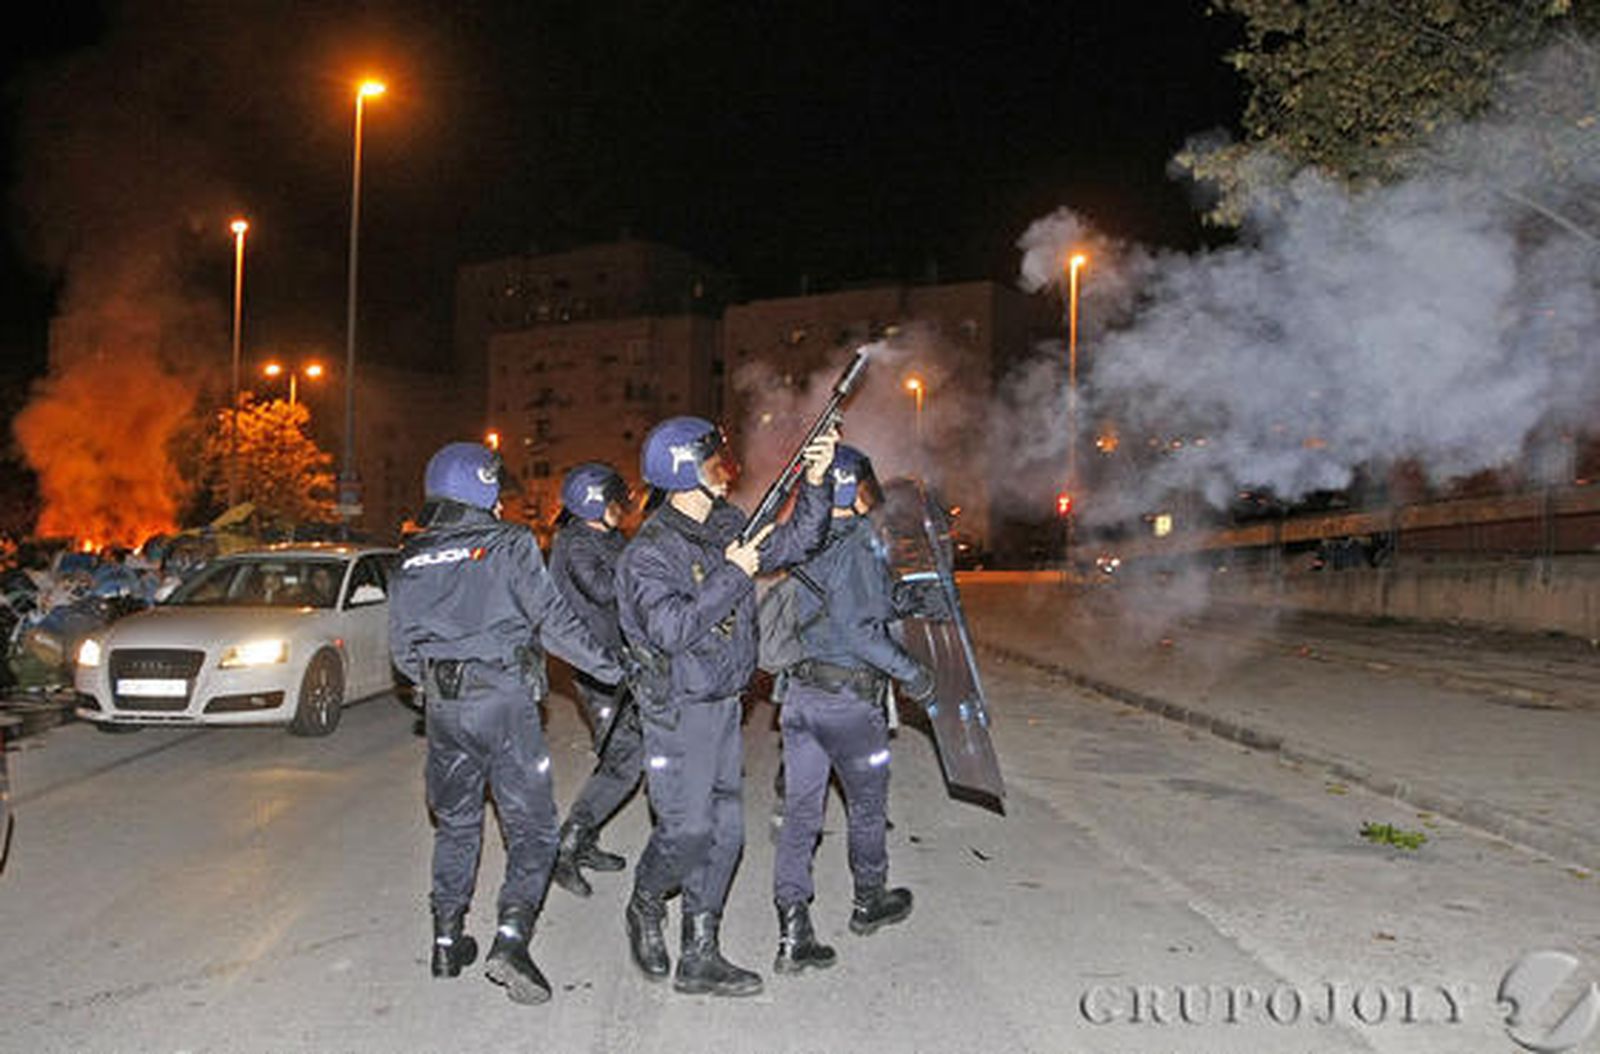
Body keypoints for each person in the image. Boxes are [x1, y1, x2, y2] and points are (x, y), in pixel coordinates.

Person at [388, 441, 625, 1006]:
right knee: (534, 830)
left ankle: (447, 941)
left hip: (445, 709)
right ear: (483, 487)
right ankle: (511, 942)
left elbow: (402, 654)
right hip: (505, 704)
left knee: (456, 824)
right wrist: (611, 670)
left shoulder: (409, 555)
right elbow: (553, 621)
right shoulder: (510, 543)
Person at [616, 415, 836, 997]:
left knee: (727, 833)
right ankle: (644, 901)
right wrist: (732, 574)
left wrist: (814, 483)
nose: (723, 473)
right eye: (711, 462)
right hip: (676, 710)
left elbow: (796, 541)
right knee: (687, 831)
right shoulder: (649, 552)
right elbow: (670, 628)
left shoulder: (727, 523)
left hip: (722, 704)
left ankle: (699, 952)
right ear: (681, 472)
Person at [770, 444, 934, 975]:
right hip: (848, 704)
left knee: (800, 817)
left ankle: (793, 930)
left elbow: (837, 603)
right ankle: (869, 902)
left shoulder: (802, 537)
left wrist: (898, 600)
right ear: (857, 488)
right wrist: (916, 677)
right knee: (866, 808)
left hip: (799, 700)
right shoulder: (862, 541)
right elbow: (860, 632)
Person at [547, 462, 643, 898]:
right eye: (613, 502)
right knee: (625, 762)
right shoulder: (574, 544)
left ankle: (583, 840)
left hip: (616, 661)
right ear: (594, 503)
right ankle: (566, 848)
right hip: (596, 668)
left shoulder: (605, 536)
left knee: (618, 758)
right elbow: (605, 590)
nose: (620, 510)